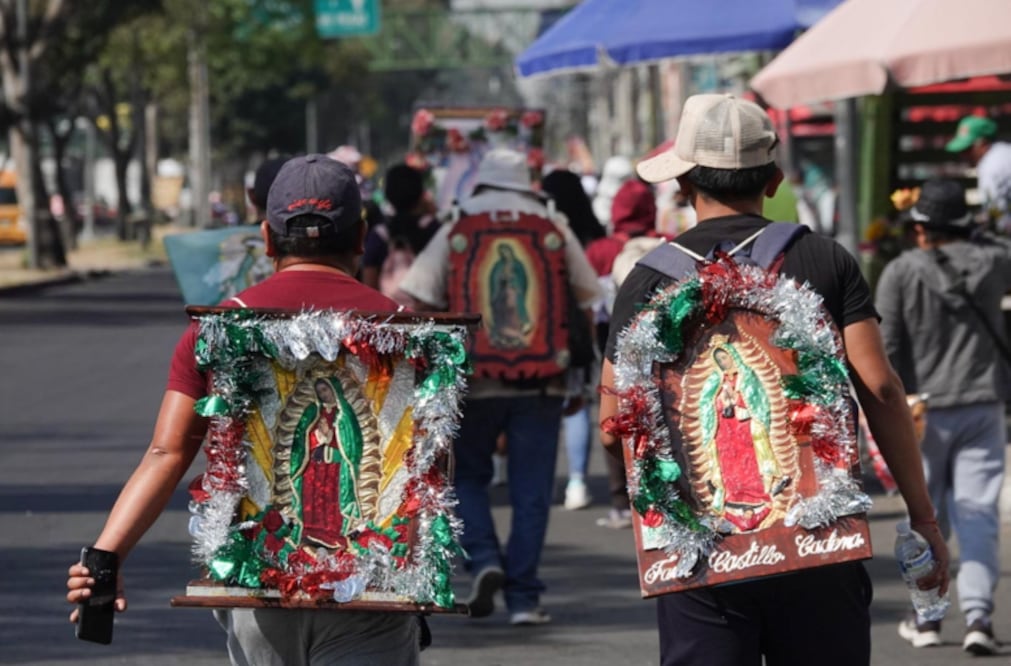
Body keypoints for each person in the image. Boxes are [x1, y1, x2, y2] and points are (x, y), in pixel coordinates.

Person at [598, 93, 948, 666]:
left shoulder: (644, 281)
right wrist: (922, 516)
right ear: (773, 179)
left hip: (703, 554)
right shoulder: (825, 260)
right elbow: (881, 389)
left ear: (683, 183)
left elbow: (614, 430)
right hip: (818, 538)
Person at [65, 154, 424, 665]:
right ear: (362, 236)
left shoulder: (217, 330)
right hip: (372, 590)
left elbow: (167, 452)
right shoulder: (409, 332)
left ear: (268, 238)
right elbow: (425, 465)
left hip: (260, 591)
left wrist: (106, 557)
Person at [399, 148, 600, 626]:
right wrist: (582, 374)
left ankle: (485, 557)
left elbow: (415, 296)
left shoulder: (456, 227)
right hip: (543, 383)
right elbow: (589, 297)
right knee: (532, 493)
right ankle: (524, 599)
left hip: (474, 380)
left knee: (467, 477)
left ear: (482, 182)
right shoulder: (552, 226)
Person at [875, 178, 1009, 655]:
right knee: (978, 514)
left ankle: (927, 617)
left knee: (926, 516)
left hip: (920, 411)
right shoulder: (994, 261)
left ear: (921, 228)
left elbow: (885, 349)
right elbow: (999, 245)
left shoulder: (900, 272)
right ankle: (979, 617)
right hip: (981, 401)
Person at [586, 178, 661, 528]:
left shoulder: (601, 250)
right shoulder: (669, 245)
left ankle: (621, 500)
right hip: (667, 349)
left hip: (614, 346)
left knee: (616, 416)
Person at [542, 168, 607, 512]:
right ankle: (577, 482)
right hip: (578, 330)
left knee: (544, 408)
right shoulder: (592, 233)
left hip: (542, 328)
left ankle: (543, 480)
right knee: (577, 404)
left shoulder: (544, 231)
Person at [361, 163, 438, 300]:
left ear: (388, 195)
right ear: (421, 194)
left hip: (389, 316)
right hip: (430, 315)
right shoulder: (434, 229)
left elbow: (369, 285)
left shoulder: (379, 235)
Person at [946, 115, 1011, 232]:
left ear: (982, 144)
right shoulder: (1005, 151)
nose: (963, 156)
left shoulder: (990, 167)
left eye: (967, 149)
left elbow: (997, 217)